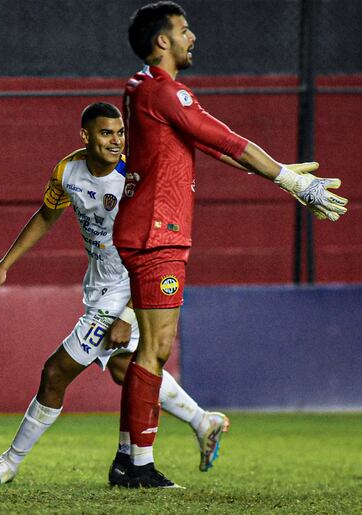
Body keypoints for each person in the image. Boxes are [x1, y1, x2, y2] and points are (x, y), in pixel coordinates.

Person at [112, 1, 348, 489]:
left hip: (146, 230)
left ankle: (126, 459)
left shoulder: (141, 88)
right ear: (163, 41)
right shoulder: (165, 92)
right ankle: (138, 467)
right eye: (184, 30)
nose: (192, 36)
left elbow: (215, 148)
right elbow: (225, 137)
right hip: (160, 236)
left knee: (144, 353)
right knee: (154, 351)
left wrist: (279, 175)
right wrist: (289, 180)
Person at [0, 102, 229, 486]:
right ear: (86, 136)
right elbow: (46, 215)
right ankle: (202, 421)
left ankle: (9, 463)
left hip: (129, 286)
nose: (116, 141)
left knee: (55, 372)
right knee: (127, 370)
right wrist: (5, 264)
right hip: (99, 285)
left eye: (120, 133)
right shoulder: (67, 170)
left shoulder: (133, 178)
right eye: (107, 133)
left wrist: (127, 313)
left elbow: (152, 246)